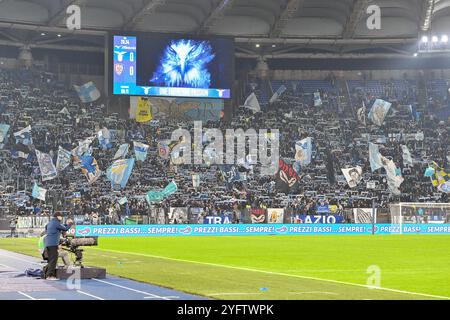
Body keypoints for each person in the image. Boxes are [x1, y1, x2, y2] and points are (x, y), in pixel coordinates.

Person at [43, 212, 73, 280]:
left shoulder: (50, 223)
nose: (61, 218)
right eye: (61, 216)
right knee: (53, 260)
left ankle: (47, 274)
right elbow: (65, 229)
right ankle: (50, 276)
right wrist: (70, 223)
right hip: (53, 244)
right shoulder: (56, 223)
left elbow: (60, 227)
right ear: (58, 216)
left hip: (48, 243)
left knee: (51, 260)